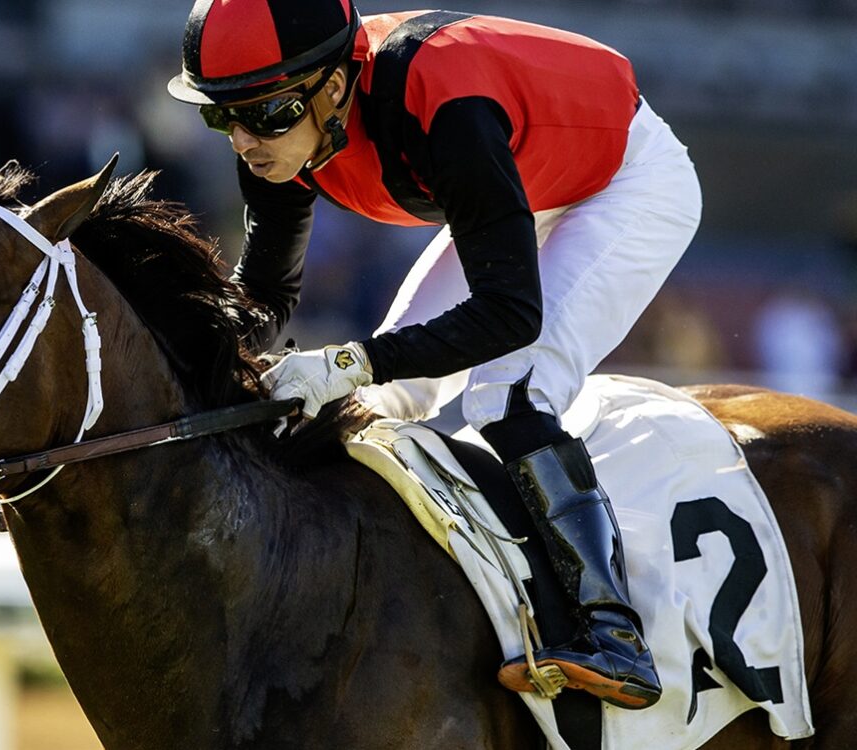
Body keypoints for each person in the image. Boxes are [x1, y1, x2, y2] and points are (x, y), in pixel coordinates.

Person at [167, 0, 701, 710]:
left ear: (334, 86)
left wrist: (349, 360)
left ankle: (612, 631)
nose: (242, 139)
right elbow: (262, 294)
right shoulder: (286, 131)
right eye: (221, 116)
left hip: (623, 180)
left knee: (506, 392)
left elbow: (509, 315)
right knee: (385, 398)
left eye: (264, 114)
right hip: (523, 175)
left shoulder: (444, 101)